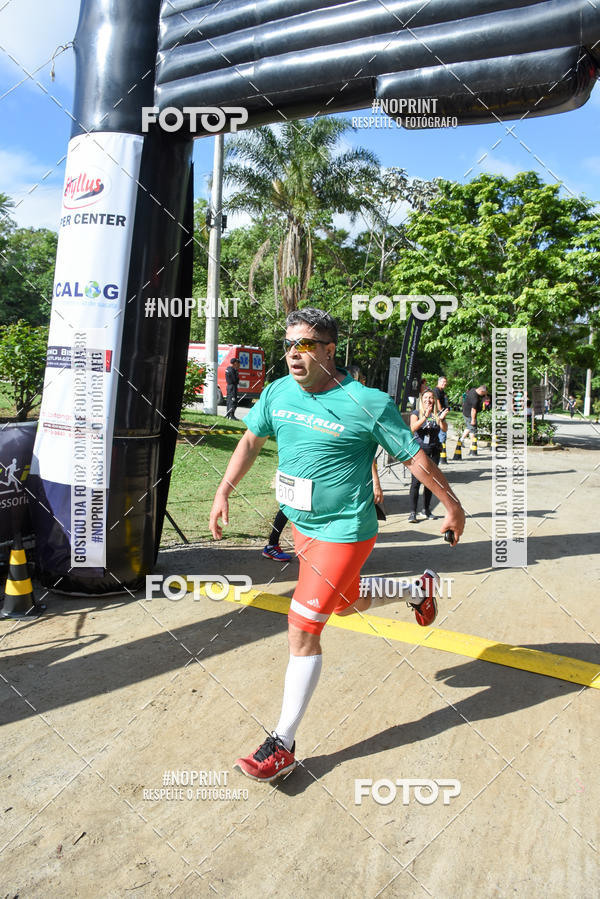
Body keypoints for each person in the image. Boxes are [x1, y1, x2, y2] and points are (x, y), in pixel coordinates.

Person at [209, 308, 465, 783]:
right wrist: (224, 488)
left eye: (304, 345)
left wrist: (451, 503)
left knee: (303, 624)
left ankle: (281, 743)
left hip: (346, 530)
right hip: (304, 527)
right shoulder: (279, 391)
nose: (293, 354)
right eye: (289, 345)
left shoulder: (366, 401)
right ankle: (417, 588)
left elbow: (412, 454)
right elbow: (250, 438)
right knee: (344, 604)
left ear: (330, 350)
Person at [408, 389, 448, 522]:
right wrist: (425, 416)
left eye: (431, 398)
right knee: (416, 482)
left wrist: (440, 419)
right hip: (419, 452)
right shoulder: (416, 413)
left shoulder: (437, 414)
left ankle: (426, 510)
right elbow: (413, 428)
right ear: (421, 399)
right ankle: (413, 512)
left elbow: (444, 428)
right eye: (425, 397)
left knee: (430, 482)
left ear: (434, 400)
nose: (428, 400)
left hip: (434, 451)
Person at [433, 376, 449, 461]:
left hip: (443, 414)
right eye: (443, 382)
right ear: (439, 382)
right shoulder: (436, 391)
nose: (444, 383)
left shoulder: (442, 391)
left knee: (443, 432)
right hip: (439, 415)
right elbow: (438, 403)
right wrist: (441, 413)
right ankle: (441, 455)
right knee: (442, 433)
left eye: (445, 382)